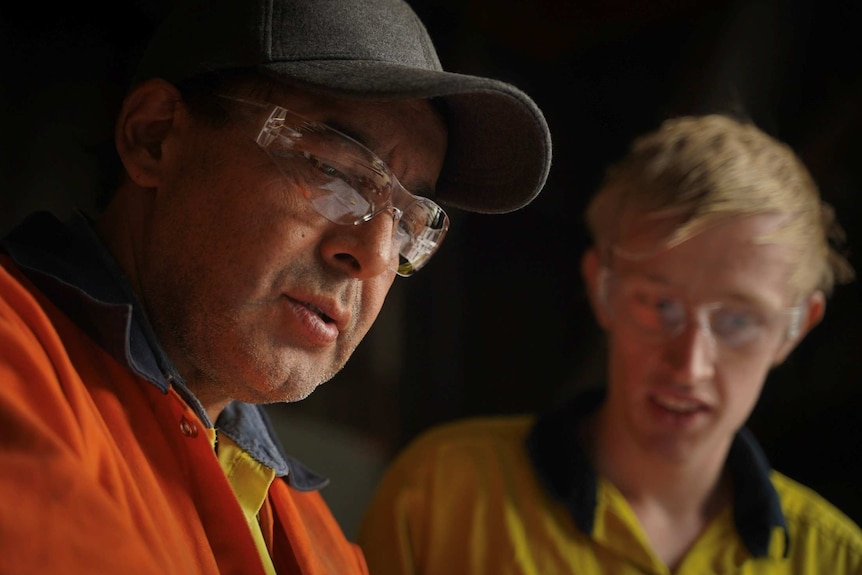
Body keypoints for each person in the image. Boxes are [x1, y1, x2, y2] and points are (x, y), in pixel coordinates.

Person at [0, 0, 552, 573]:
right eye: (334, 170)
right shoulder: (18, 363)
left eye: (411, 219)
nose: (371, 255)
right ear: (155, 136)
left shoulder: (317, 536)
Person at [357, 114, 862, 574]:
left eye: (737, 321)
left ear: (796, 328)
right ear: (602, 288)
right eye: (660, 306)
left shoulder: (838, 559)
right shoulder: (443, 494)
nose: (690, 365)